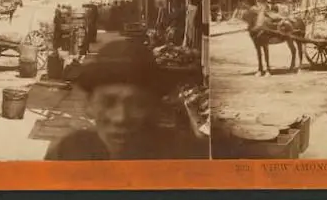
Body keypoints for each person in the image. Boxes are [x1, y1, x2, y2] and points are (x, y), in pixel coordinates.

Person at [45, 40, 209, 160]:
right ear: (89, 105)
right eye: (108, 102)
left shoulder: (187, 157)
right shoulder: (66, 154)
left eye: (136, 104)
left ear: (155, 107)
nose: (120, 118)